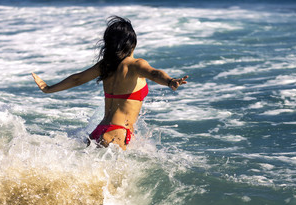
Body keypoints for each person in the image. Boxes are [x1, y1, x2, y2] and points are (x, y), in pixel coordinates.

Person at [32, 16, 188, 150]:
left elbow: (77, 78)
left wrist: (48, 88)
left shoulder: (105, 66)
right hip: (117, 133)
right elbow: (154, 73)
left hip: (98, 131)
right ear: (132, 43)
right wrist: (170, 81)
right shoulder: (135, 64)